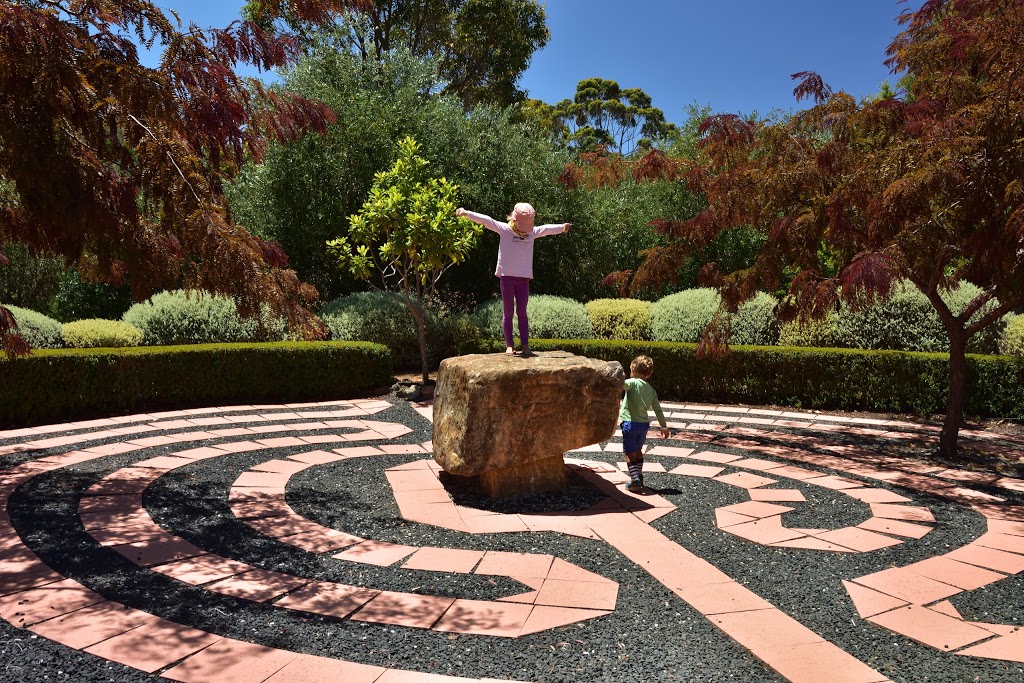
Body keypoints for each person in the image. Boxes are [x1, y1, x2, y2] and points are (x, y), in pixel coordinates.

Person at [455, 203, 569, 357]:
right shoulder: (505, 229)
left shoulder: (532, 232)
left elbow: (547, 229)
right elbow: (486, 221)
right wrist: (466, 213)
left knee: (522, 312)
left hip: (523, 279)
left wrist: (562, 227)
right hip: (507, 277)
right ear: (515, 220)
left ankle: (525, 345)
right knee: (508, 312)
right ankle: (509, 345)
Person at [618, 354, 670, 492]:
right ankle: (639, 475)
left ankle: (634, 480)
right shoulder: (651, 390)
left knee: (629, 453)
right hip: (643, 425)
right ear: (649, 373)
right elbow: (658, 410)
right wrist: (664, 427)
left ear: (633, 369)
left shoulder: (632, 382)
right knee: (638, 450)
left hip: (630, 423)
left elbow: (621, 384)